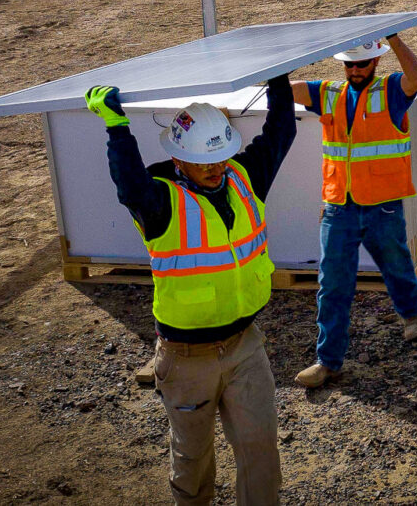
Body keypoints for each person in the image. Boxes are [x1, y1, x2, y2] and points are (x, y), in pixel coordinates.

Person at [85, 77, 296, 506]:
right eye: (205, 162)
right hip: (186, 359)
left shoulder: (243, 177)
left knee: (261, 454)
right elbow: (128, 185)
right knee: (193, 461)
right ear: (179, 159)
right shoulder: (160, 203)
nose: (217, 167)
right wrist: (116, 127)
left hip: (245, 347)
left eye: (222, 155)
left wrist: (279, 73)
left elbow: (281, 130)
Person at [291, 34, 417, 389]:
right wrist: (290, 53)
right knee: (332, 283)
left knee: (396, 266)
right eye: (348, 64)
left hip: (382, 205)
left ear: (376, 61)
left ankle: (414, 314)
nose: (354, 70)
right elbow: (290, 88)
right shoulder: (329, 93)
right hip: (339, 206)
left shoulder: (392, 91)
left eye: (361, 63)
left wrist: (394, 38)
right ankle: (328, 361)